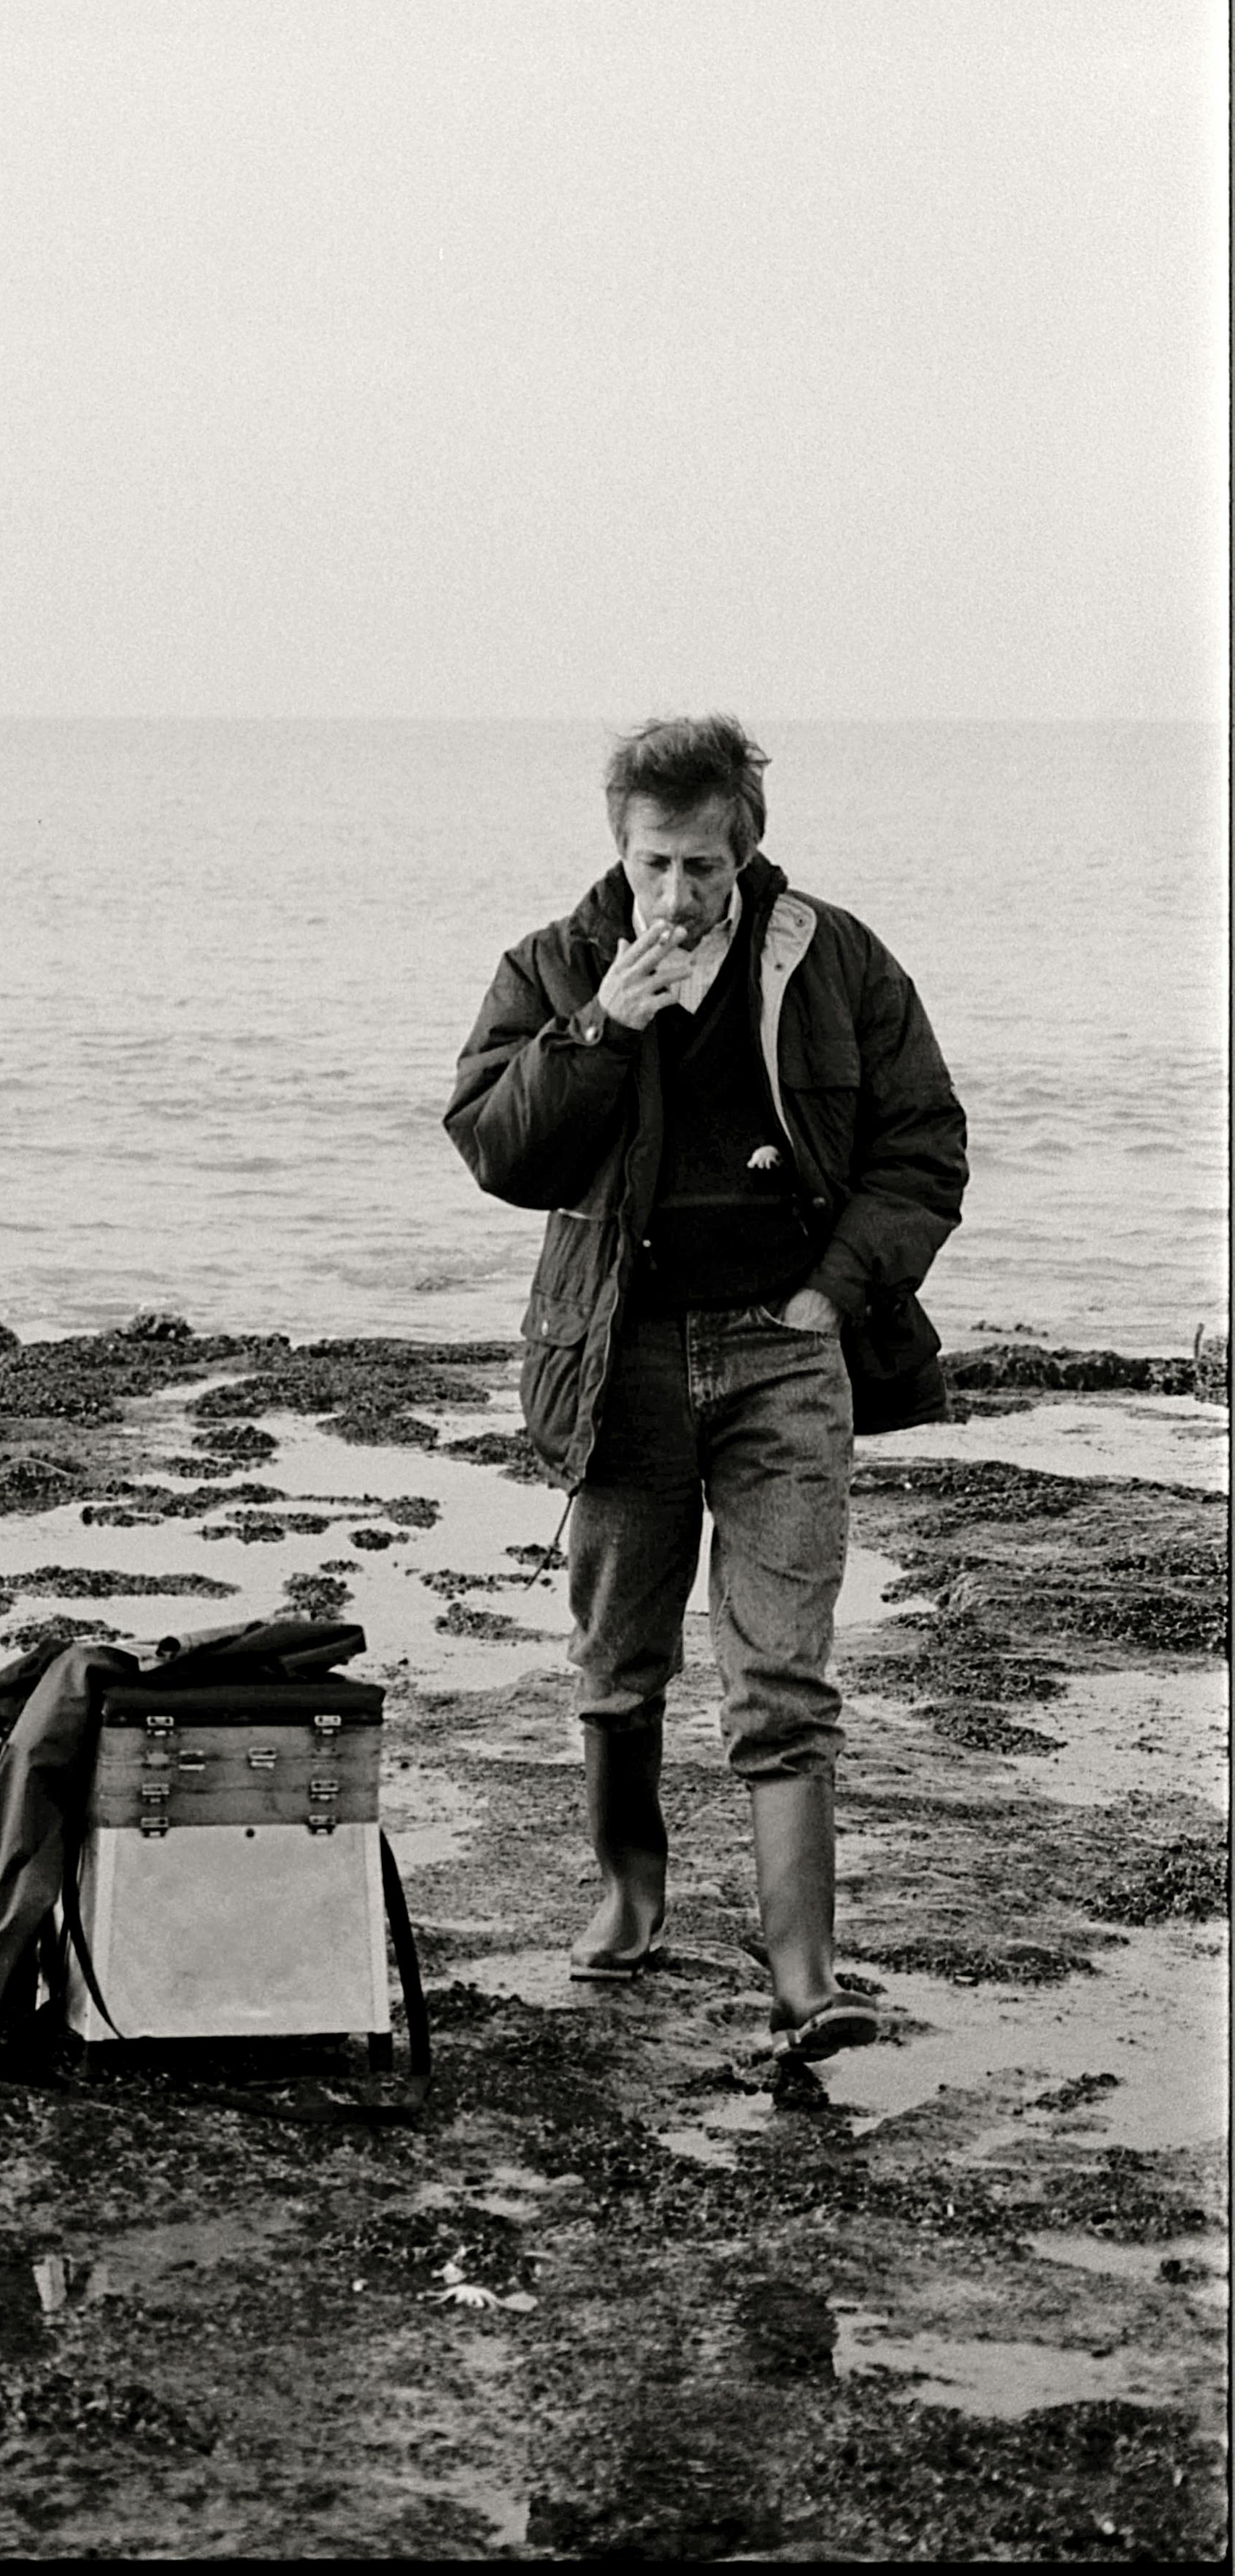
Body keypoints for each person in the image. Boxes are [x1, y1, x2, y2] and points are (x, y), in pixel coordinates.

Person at [444, 714, 966, 2059]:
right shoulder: (555, 963)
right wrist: (598, 1031)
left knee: (783, 1677)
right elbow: (498, 1153)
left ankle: (806, 1982)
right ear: (620, 850)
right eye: (654, 866)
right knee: (619, 1665)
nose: (675, 898)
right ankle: (630, 1897)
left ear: (749, 852)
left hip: (786, 1354)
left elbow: (925, 1150)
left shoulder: (839, 959)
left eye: (703, 870)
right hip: (620, 1363)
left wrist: (828, 1295)